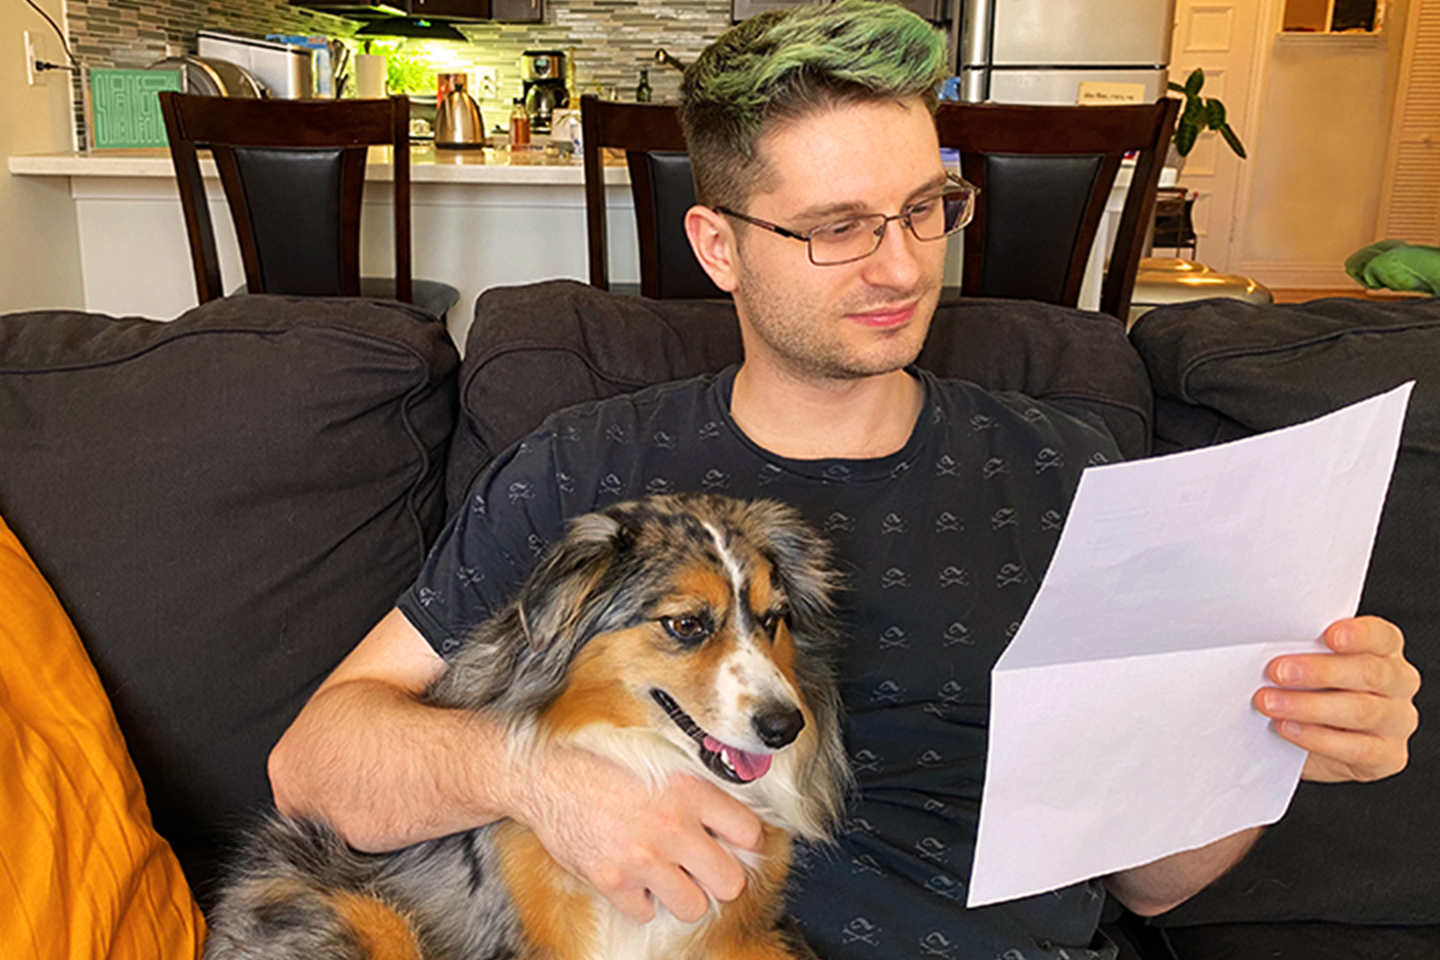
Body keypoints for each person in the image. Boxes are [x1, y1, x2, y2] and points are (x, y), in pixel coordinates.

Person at [268, 3, 1421, 957]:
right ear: (720, 246)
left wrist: (1280, 743)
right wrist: (540, 780)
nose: (904, 264)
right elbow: (315, 765)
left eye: (927, 208)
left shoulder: (1075, 474)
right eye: (838, 227)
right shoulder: (585, 467)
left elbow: (1156, 882)